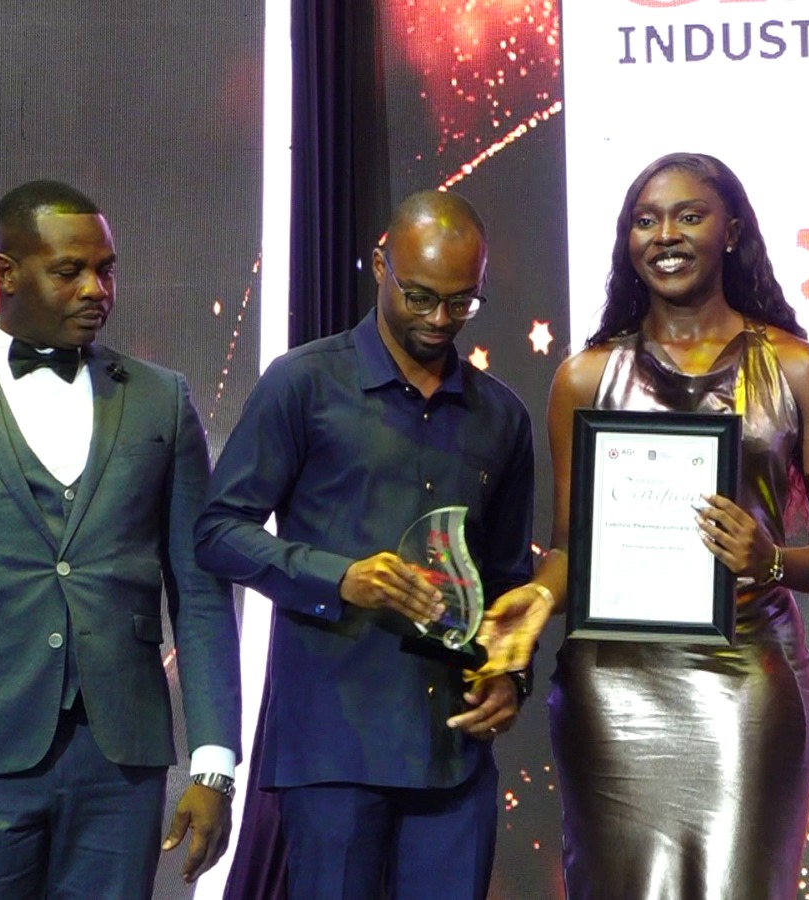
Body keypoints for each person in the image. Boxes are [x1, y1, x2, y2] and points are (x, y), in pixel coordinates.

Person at [478, 151, 809, 898]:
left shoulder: (798, 370)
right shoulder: (586, 377)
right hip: (613, 689)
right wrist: (537, 599)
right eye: (646, 220)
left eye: (689, 216)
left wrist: (772, 561)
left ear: (732, 232)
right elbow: (571, 549)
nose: (665, 234)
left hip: (743, 680)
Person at [0, 180, 243, 898]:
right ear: (6, 273)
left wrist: (214, 765)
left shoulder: (161, 399)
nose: (96, 290)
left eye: (106, 270)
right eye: (69, 271)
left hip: (120, 766)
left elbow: (202, 595)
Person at [193, 190, 535, 900]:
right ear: (381, 265)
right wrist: (337, 577)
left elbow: (506, 580)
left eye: (461, 303)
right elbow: (219, 532)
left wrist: (510, 677)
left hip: (454, 751)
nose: (439, 320)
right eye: (420, 297)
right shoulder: (304, 383)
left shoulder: (501, 415)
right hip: (333, 747)